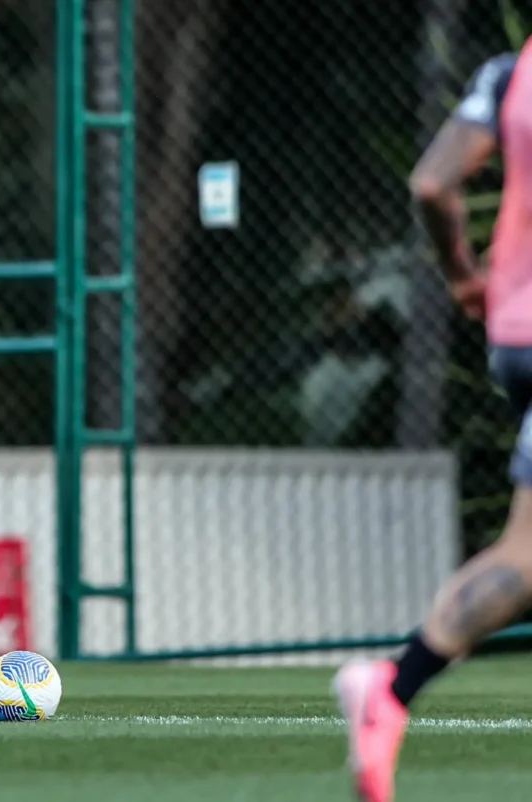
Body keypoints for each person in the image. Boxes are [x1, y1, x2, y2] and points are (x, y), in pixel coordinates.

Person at [333, 47, 532, 801]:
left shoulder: (509, 74)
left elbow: (432, 181)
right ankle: (391, 684)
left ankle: (388, 692)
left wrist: (460, 276)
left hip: (515, 331)